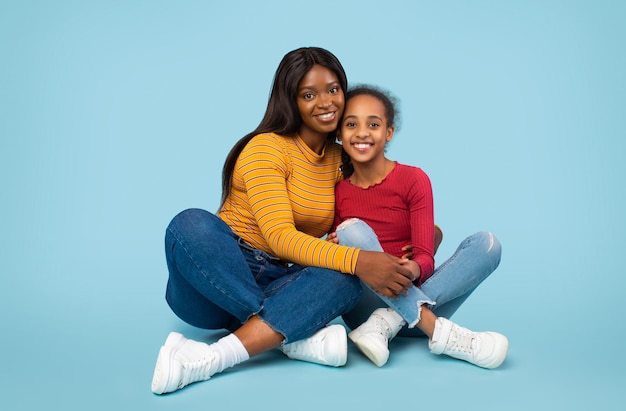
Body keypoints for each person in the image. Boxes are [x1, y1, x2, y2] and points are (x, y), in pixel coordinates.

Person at [150, 48, 416, 395]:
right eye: (309, 94)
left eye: (333, 90)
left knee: (345, 282)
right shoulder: (266, 148)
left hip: (280, 278)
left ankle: (216, 355)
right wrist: (359, 260)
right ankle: (289, 336)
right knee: (191, 224)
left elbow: (380, 197)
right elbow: (280, 238)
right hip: (216, 277)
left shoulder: (341, 158)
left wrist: (419, 231)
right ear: (290, 101)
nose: (325, 102)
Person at [327, 84, 508, 368]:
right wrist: (334, 246)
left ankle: (386, 322)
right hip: (362, 308)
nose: (362, 132)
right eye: (351, 124)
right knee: (352, 231)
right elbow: (342, 254)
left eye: (373, 124)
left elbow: (424, 256)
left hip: (415, 305)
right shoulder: (337, 191)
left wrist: (411, 269)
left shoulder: (414, 180)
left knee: (488, 244)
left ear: (388, 133)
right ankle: (440, 333)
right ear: (339, 133)